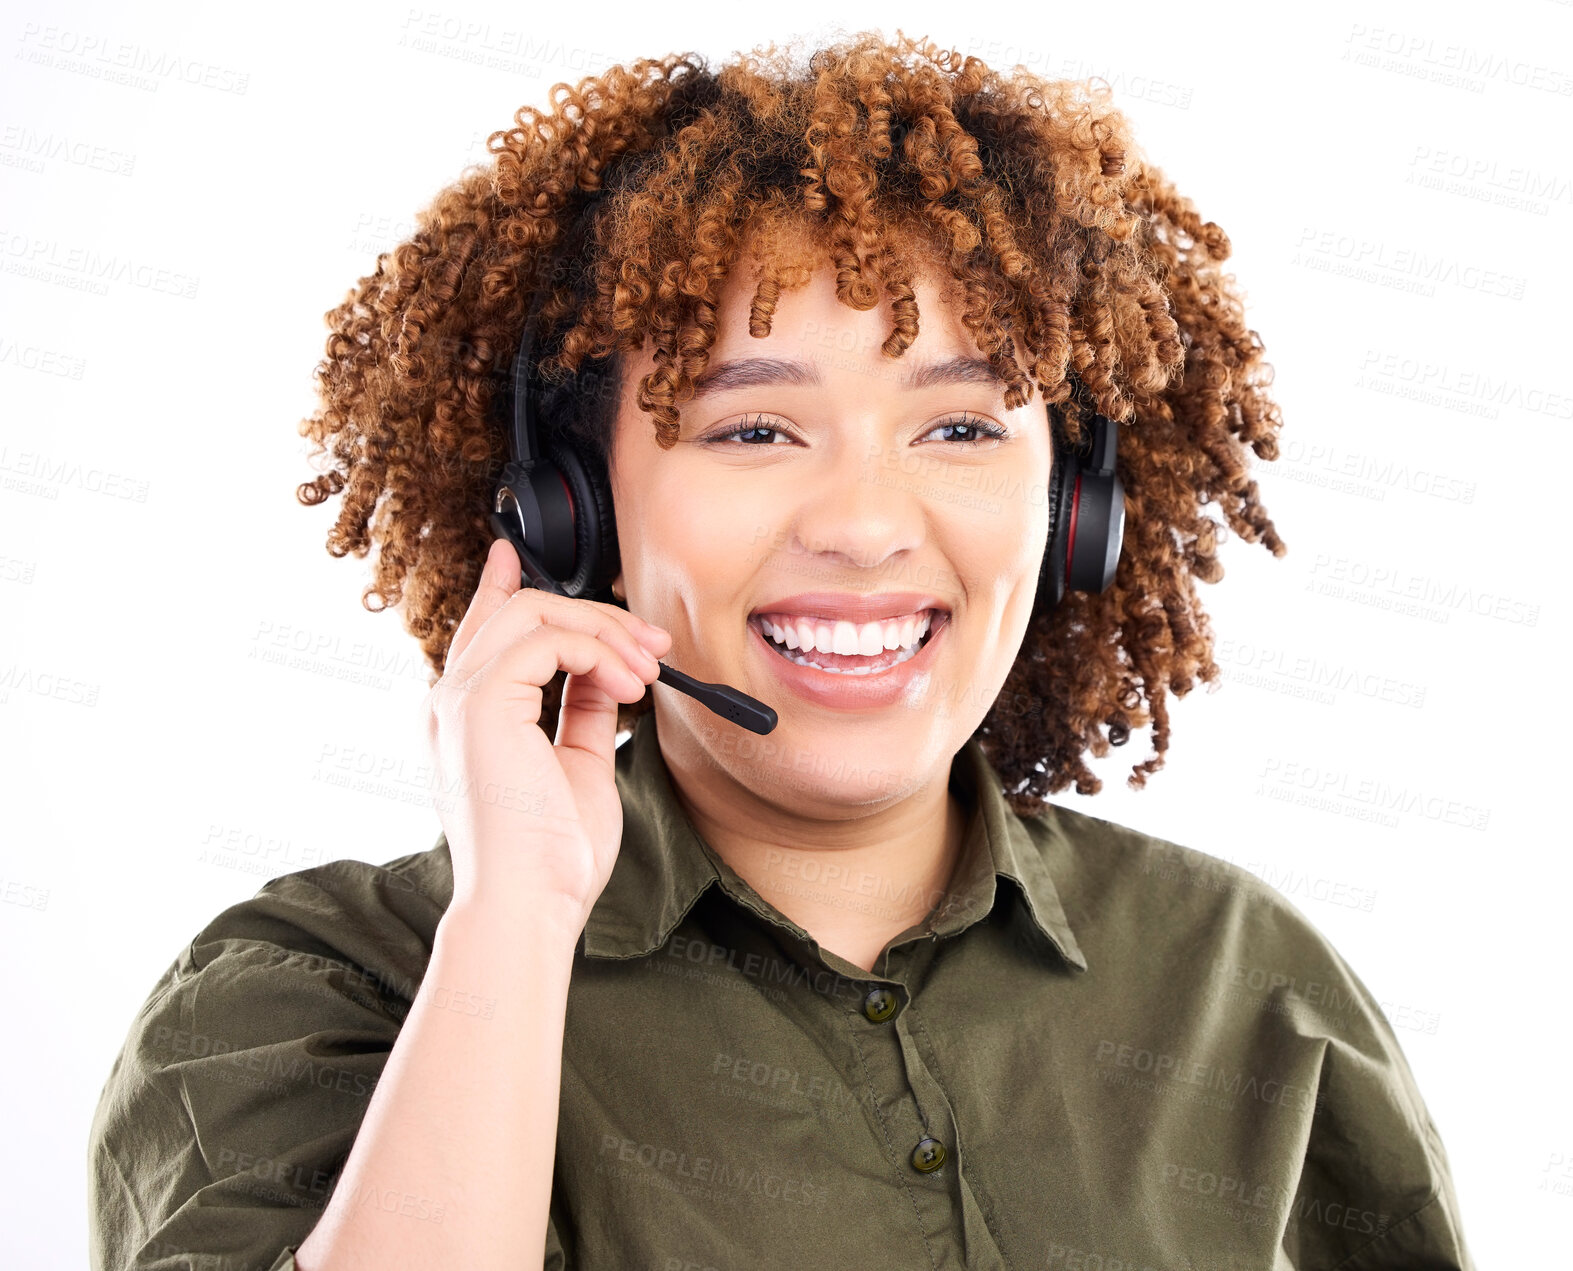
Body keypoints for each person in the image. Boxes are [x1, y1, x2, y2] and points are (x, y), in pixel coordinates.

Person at [87, 29, 1476, 1271]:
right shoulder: (319, 990)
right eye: (753, 430)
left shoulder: (1241, 977)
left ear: (1076, 514)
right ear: (572, 514)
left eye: (960, 427)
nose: (866, 527)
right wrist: (513, 923)